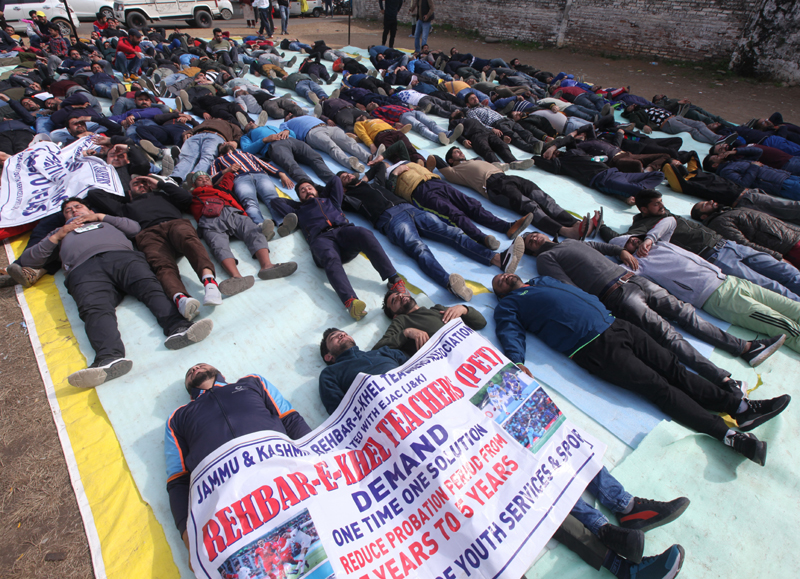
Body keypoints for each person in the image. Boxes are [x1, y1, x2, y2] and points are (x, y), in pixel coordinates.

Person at [492, 272, 791, 466]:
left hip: (617, 325)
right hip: (593, 347)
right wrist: (517, 361)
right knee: (658, 387)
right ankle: (728, 436)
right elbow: (509, 331)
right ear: (500, 295)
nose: (502, 277)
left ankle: (740, 407)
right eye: (498, 283)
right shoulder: (509, 306)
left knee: (674, 368)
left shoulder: (543, 281)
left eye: (503, 275)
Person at [526, 234, 784, 389]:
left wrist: (621, 252)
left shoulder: (571, 241)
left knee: (688, 315)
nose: (534, 238)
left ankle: (746, 348)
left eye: (533, 234)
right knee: (669, 336)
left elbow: (603, 247)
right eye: (529, 241)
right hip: (616, 294)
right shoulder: (545, 259)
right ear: (532, 250)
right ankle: (720, 378)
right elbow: (567, 287)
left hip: (636, 279)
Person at [20, 198, 214, 388]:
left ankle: (180, 328)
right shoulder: (59, 233)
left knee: (150, 286)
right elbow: (30, 259)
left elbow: (134, 228)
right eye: (68, 211)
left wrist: (100, 217)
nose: (73, 211)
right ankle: (109, 359)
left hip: (122, 258)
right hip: (83, 270)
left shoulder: (106, 220)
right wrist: (59, 235)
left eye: (77, 207)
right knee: (93, 308)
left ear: (88, 209)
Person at [165, 364, 311, 561]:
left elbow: (290, 419)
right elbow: (178, 479)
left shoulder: (253, 382)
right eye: (189, 371)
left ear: (220, 372)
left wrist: (317, 457)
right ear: (189, 387)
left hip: (283, 479)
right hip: (230, 504)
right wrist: (185, 533)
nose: (195, 367)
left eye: (201, 365)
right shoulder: (177, 418)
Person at [610, 216, 800, 356]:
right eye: (629, 244)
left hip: (732, 281)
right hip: (718, 298)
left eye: (635, 238)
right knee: (784, 325)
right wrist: (622, 255)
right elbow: (606, 269)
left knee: (793, 307)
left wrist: (650, 238)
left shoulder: (660, 243)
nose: (635, 241)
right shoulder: (637, 267)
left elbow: (670, 221)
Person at [338, 169, 524, 300]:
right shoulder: (349, 198)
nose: (346, 175)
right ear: (342, 188)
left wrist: (366, 176)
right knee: (419, 249)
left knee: (453, 233)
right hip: (391, 220)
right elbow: (327, 193)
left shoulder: (374, 182)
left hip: (410, 209)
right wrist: (338, 187)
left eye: (346, 174)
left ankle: (497, 259)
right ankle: (450, 284)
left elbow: (379, 166)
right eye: (342, 178)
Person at [85, 175, 252, 320]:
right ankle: (181, 299)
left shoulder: (164, 195)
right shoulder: (123, 207)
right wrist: (127, 194)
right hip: (148, 233)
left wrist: (157, 183)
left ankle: (210, 284)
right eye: (137, 185)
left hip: (175, 223)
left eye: (144, 184)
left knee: (190, 243)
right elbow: (94, 194)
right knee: (161, 265)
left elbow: (186, 198)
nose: (141, 185)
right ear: (129, 192)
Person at [608, 189, 800, 301]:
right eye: (656, 204)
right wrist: (602, 229)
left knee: (785, 270)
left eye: (661, 201)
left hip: (730, 245)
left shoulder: (664, 214)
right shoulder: (642, 226)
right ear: (644, 209)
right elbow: (619, 239)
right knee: (769, 286)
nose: (662, 206)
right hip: (715, 257)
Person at [271, 176, 406, 320]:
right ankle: (351, 302)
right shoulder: (299, 210)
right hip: (321, 240)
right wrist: (300, 203)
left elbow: (335, 180)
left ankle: (394, 280)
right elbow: (276, 202)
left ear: (316, 189)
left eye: (309, 188)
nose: (307, 190)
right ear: (299, 197)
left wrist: (318, 193)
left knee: (364, 233)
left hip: (343, 232)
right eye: (302, 191)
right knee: (329, 256)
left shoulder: (331, 201)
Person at [430, 148, 593, 239]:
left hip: (509, 178)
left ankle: (574, 223)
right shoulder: (454, 171)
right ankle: (564, 231)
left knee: (543, 198)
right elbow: (435, 157)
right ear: (450, 160)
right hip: (494, 186)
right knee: (529, 205)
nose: (461, 153)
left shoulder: (475, 160)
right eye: (456, 153)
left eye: (460, 151)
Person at [189, 171, 298, 283]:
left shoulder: (221, 188)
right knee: (218, 246)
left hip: (232, 213)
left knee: (253, 231)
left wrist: (229, 169)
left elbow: (228, 177)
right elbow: (177, 196)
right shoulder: (190, 196)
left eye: (207, 178)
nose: (204, 180)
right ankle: (236, 277)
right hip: (208, 220)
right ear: (193, 185)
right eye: (200, 179)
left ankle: (267, 265)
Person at [318, 328, 408, 413]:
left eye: (345, 333)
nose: (342, 334)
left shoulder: (385, 352)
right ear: (328, 356)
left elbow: (416, 368)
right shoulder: (330, 374)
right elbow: (340, 413)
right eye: (333, 337)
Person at [375, 291, 486, 356]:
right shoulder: (402, 321)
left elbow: (481, 323)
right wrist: (406, 333)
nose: (400, 296)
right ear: (395, 315)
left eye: (400, 294)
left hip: (474, 353)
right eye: (395, 300)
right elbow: (377, 350)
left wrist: (463, 309)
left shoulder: (438, 309)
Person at [692, 202, 800, 268]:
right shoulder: (719, 223)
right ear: (703, 216)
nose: (710, 201)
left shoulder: (731, 211)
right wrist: (777, 257)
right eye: (704, 205)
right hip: (789, 247)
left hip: (794, 236)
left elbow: (773, 221)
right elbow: (744, 244)